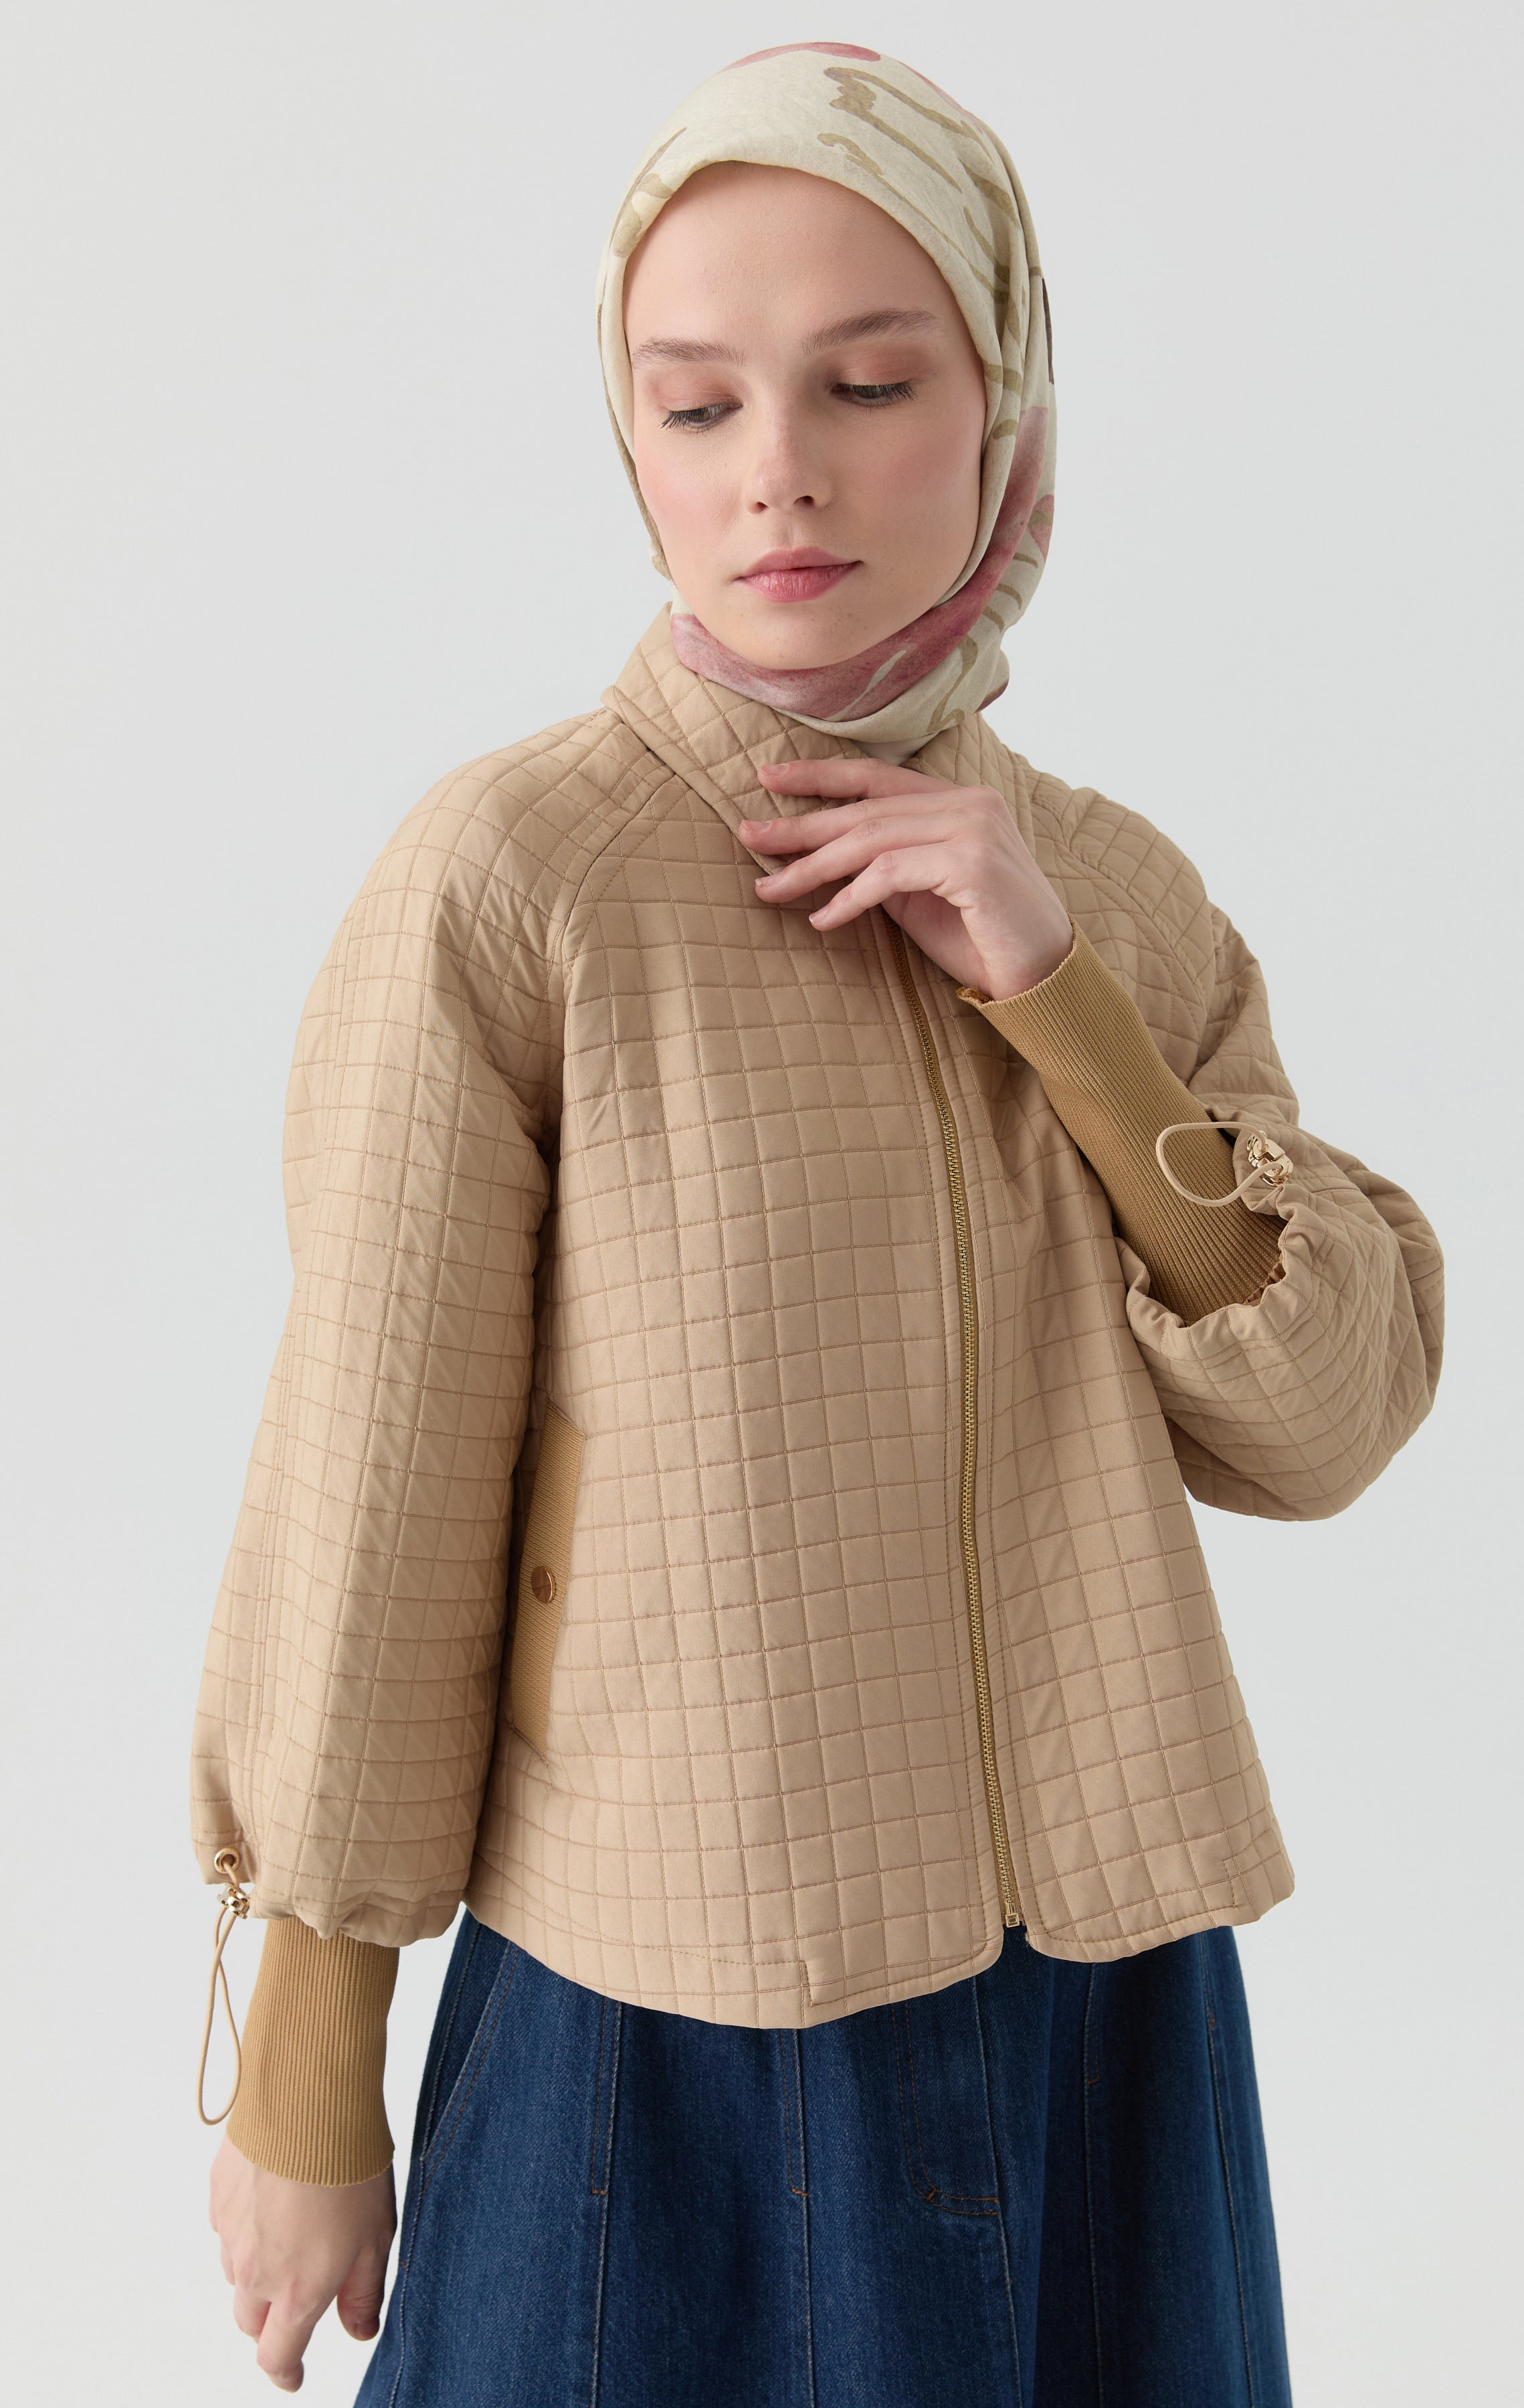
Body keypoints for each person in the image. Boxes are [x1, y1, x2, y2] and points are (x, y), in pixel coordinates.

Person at [193, 42, 1444, 2405]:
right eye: (696, 404)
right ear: (631, 444)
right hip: (663, 2016)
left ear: (1004, 413)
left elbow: (1325, 1420)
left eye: (870, 384)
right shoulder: (517, 882)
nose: (777, 465)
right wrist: (304, 2064)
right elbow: (371, 1493)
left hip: (1105, 1996)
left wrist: (1058, 996)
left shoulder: (1113, 892)